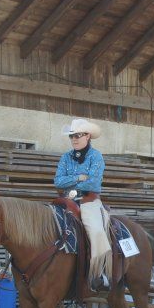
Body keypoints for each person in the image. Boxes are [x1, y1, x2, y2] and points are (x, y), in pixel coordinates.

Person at [55, 118, 110, 290]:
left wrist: (71, 185)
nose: (74, 139)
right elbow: (57, 181)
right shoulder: (65, 157)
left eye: (78, 135)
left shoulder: (96, 156)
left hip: (89, 201)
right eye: (71, 136)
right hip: (66, 200)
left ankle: (100, 273)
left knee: (96, 230)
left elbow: (93, 183)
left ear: (88, 136)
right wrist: (79, 177)